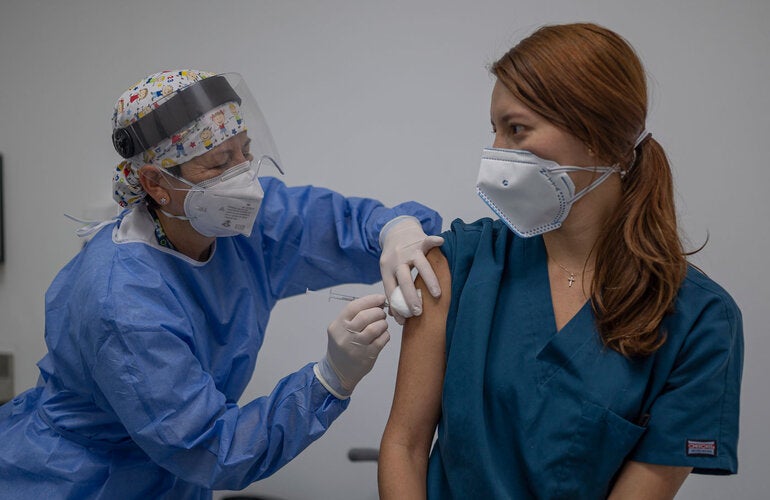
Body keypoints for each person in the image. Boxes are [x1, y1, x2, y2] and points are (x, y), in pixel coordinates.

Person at [0, 69, 444, 498]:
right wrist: (328, 380)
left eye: (245, 151)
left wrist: (397, 229)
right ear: (156, 183)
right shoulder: (122, 300)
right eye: (219, 162)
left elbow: (342, 226)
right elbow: (210, 448)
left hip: (174, 481)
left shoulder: (241, 225)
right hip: (85, 482)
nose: (245, 177)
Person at [378, 23, 743, 499]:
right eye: (494, 130)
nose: (496, 155)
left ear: (602, 138)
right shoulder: (461, 264)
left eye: (517, 129)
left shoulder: (700, 321)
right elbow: (404, 446)